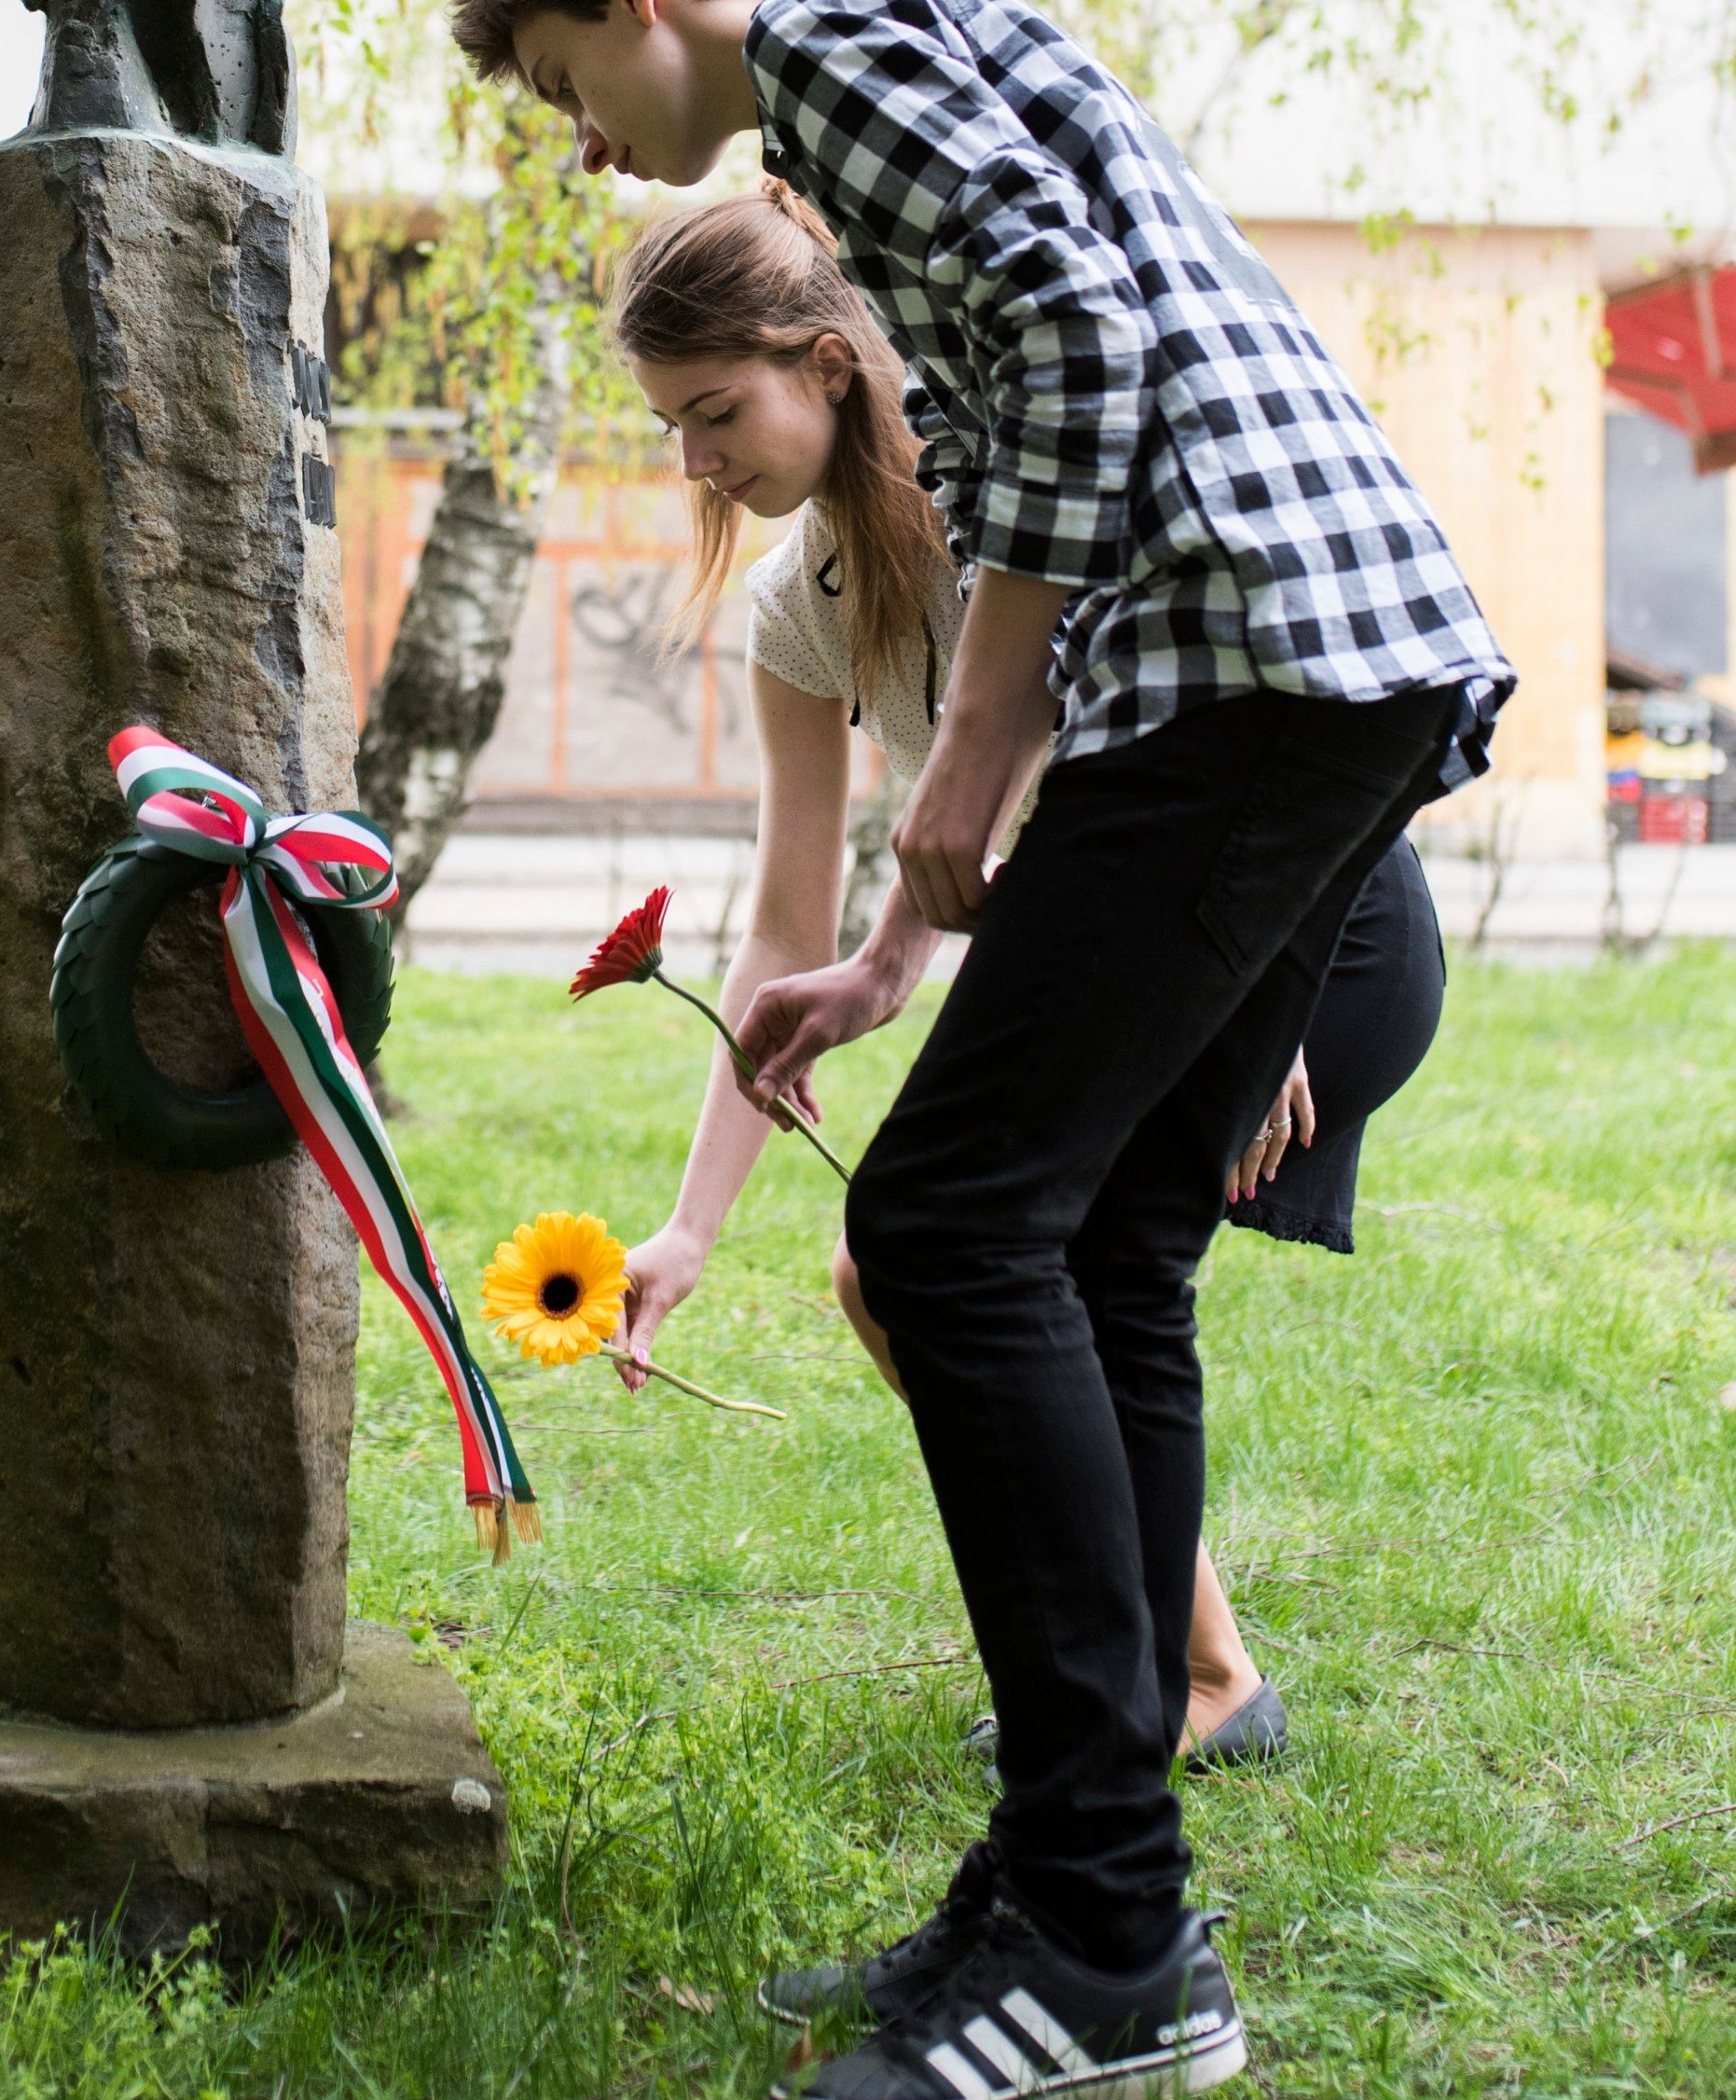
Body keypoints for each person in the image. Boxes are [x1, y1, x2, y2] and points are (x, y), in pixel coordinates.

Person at [453, 0, 1512, 2100]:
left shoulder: (819, 60)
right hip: (1314, 661)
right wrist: (890, 949)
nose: (581, 136)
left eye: (558, 80)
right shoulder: (897, 28)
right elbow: (1077, 330)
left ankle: (1106, 1942)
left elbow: (1063, 339)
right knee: (1106, 1237)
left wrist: (975, 736)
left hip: (1239, 661)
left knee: (943, 1233)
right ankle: (1077, 1876)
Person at [609, 186, 1449, 1775]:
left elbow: (1193, 774)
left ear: (830, 362)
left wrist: (1228, 1001)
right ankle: (1149, 1666)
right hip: (1162, 940)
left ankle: (1183, 1679)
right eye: (669, 425)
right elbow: (791, 919)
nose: (694, 461)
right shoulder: (804, 611)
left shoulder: (1018, 501)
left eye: (715, 410)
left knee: (988, 1253)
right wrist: (692, 1221)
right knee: (904, 1264)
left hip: (1306, 915)